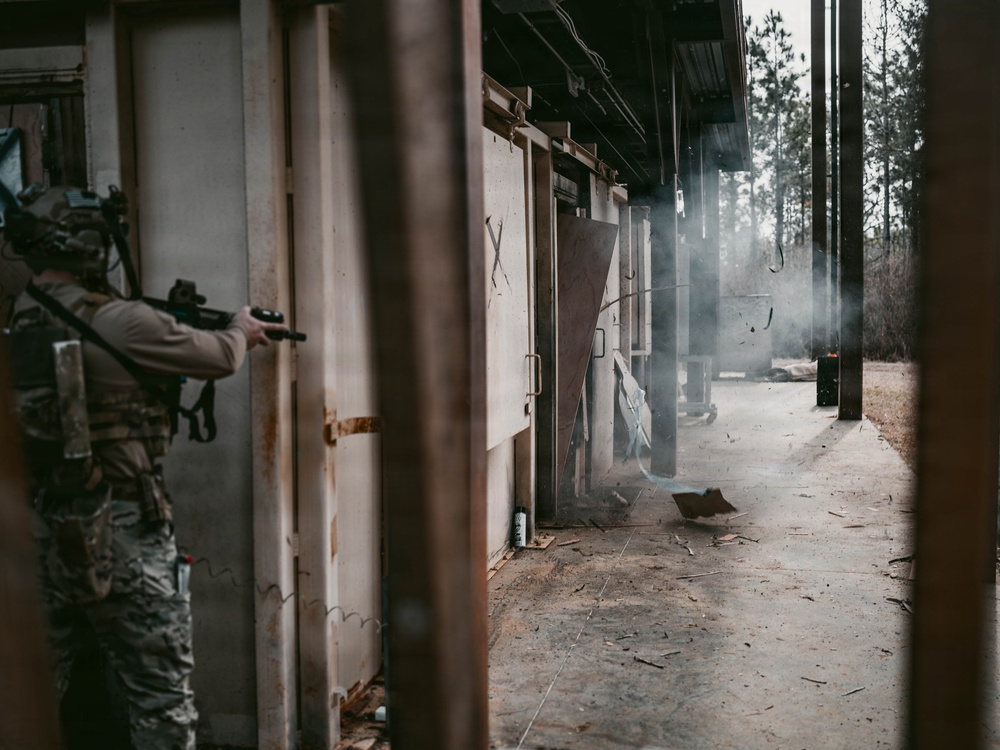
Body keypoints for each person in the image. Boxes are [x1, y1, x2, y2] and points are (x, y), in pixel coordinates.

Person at [3, 184, 286, 749]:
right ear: (88, 244)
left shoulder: (22, 318)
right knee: (160, 695)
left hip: (38, 528)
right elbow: (218, 357)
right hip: (123, 527)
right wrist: (242, 328)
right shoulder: (121, 321)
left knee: (33, 683)